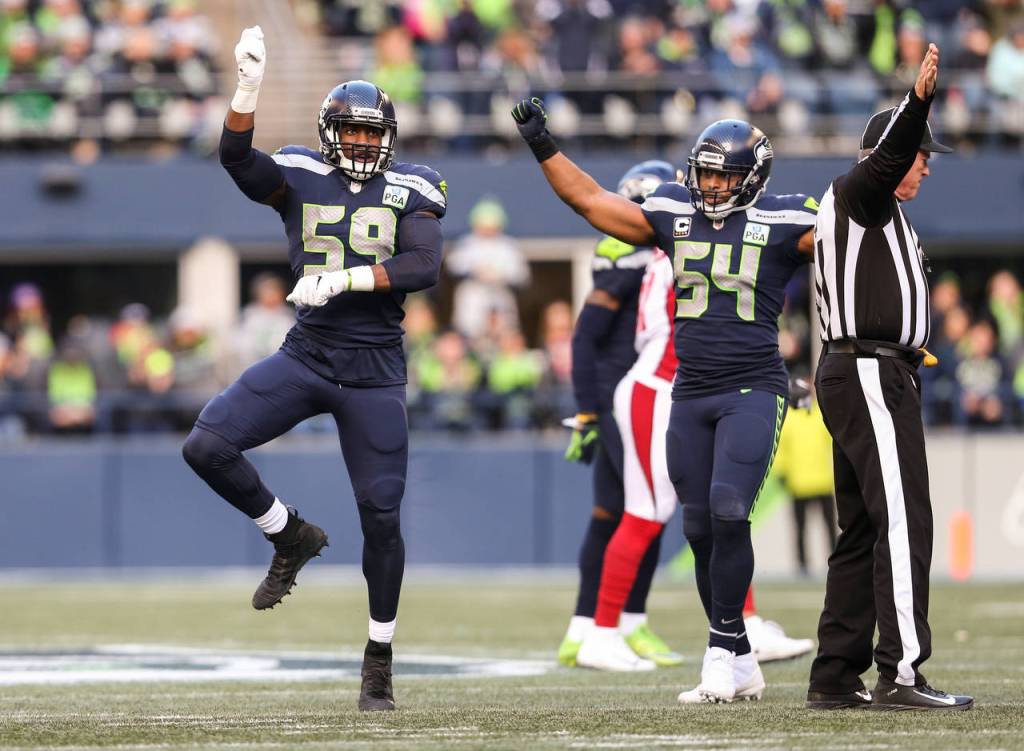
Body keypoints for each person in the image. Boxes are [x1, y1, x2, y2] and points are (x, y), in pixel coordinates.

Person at [511, 100, 818, 703]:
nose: (710, 185)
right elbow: (591, 201)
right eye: (703, 173)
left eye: (723, 175)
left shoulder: (788, 219)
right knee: (699, 524)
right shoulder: (675, 213)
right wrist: (541, 142)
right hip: (687, 388)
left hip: (752, 384)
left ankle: (721, 651)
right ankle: (738, 651)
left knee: (729, 509)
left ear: (753, 177)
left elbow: (854, 228)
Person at [181, 27, 446, 712]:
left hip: (375, 370)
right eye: (351, 134)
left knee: (381, 518)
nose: (361, 145)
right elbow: (237, 159)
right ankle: (288, 532)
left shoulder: (413, 187)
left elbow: (424, 265)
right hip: (308, 355)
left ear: (387, 136)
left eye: (371, 134)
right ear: (330, 135)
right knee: (205, 443)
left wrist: (349, 279)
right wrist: (245, 91)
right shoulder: (300, 172)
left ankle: (378, 660)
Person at [807, 43, 973, 711]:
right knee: (904, 518)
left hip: (868, 369)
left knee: (864, 528)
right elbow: (885, 161)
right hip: (868, 371)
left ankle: (835, 673)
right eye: (921, 153)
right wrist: (920, 101)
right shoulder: (860, 193)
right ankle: (901, 669)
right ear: (893, 155)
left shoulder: (883, 211)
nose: (928, 165)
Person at [559, 161, 683, 673]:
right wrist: (588, 408)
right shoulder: (627, 252)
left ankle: (601, 625)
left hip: (634, 393)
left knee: (620, 510)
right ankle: (608, 625)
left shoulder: (655, 253)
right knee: (635, 511)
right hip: (625, 395)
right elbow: (586, 335)